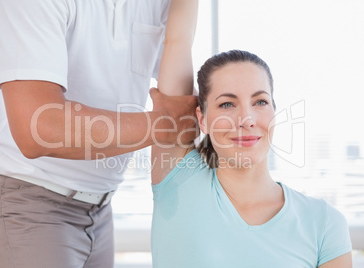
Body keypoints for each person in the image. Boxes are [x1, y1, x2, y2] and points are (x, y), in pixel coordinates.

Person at [0, 0, 198, 267]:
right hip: (34, 200)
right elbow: (39, 128)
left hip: (101, 207)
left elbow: (177, 89)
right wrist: (162, 126)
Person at [150, 49, 353, 267]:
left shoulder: (323, 222)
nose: (247, 119)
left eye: (260, 102)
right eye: (227, 104)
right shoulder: (180, 183)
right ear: (202, 119)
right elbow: (177, 42)